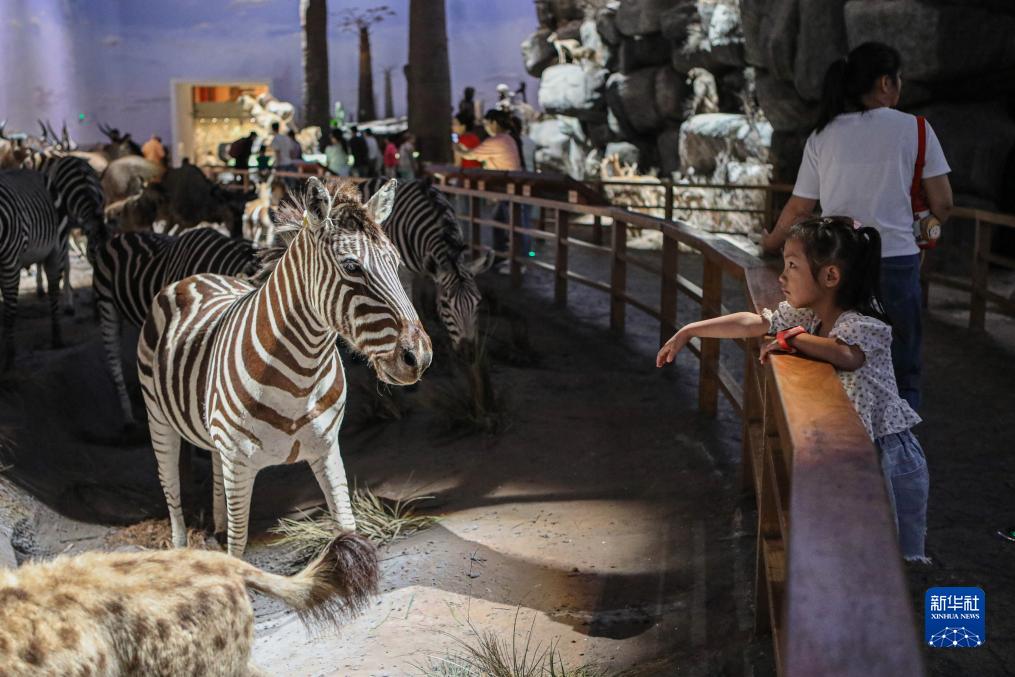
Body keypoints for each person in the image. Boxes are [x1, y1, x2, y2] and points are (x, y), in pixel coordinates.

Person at [660, 216, 930, 562]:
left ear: (830, 277)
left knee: (888, 560)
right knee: (852, 552)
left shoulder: (864, 322)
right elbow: (756, 322)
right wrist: (691, 330)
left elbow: (847, 355)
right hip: (849, 452)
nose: (782, 277)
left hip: (884, 458)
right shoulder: (810, 316)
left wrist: (793, 339)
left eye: (792, 266)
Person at [761, 42, 953, 412]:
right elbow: (943, 203)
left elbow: (800, 208)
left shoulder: (822, 135)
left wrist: (771, 242)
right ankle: (898, 439)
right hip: (896, 261)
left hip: (840, 266)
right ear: (885, 83)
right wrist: (928, 227)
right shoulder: (915, 129)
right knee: (901, 365)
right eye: (898, 79)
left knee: (841, 355)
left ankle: (844, 436)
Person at [457, 109, 529, 275]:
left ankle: (517, 263)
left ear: (494, 123)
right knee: (505, 222)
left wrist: (457, 148)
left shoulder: (496, 141)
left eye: (486, 123)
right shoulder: (508, 138)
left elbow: (470, 155)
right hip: (511, 188)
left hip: (508, 190)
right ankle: (505, 256)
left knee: (512, 226)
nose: (485, 127)